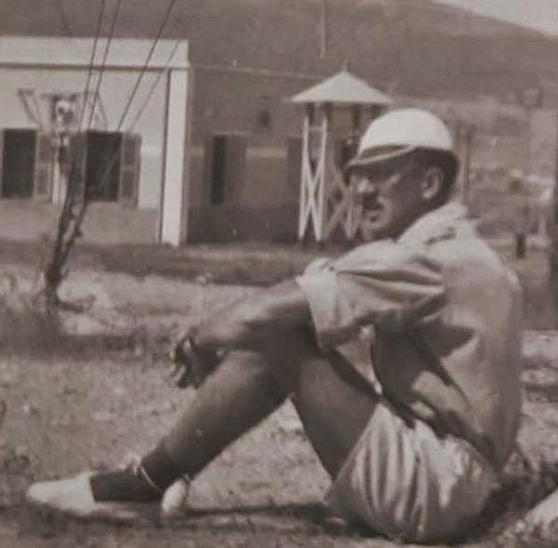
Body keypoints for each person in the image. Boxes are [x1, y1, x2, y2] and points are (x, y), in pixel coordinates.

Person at [27, 108, 524, 543]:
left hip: (437, 487)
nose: (361, 190)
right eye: (357, 175)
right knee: (287, 327)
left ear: (429, 184)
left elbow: (282, 309)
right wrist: (243, 332)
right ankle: (150, 479)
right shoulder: (453, 250)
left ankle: (145, 484)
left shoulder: (427, 259)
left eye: (382, 175)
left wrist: (205, 337)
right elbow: (321, 289)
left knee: (281, 333)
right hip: (453, 481)